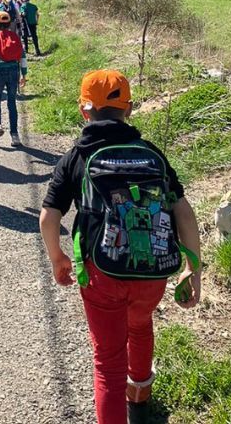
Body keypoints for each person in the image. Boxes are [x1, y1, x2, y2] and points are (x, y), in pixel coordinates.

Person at [39, 70, 201, 424]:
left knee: (108, 364)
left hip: (101, 273)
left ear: (85, 111)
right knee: (140, 326)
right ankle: (140, 400)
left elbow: (49, 217)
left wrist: (58, 258)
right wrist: (193, 268)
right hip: (152, 271)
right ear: (128, 109)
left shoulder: (77, 156)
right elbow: (183, 212)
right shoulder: (150, 153)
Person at [0, 11, 27, 147]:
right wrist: (24, 74)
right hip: (14, 70)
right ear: (9, 24)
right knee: (11, 102)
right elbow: (23, 56)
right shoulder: (15, 36)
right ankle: (15, 136)